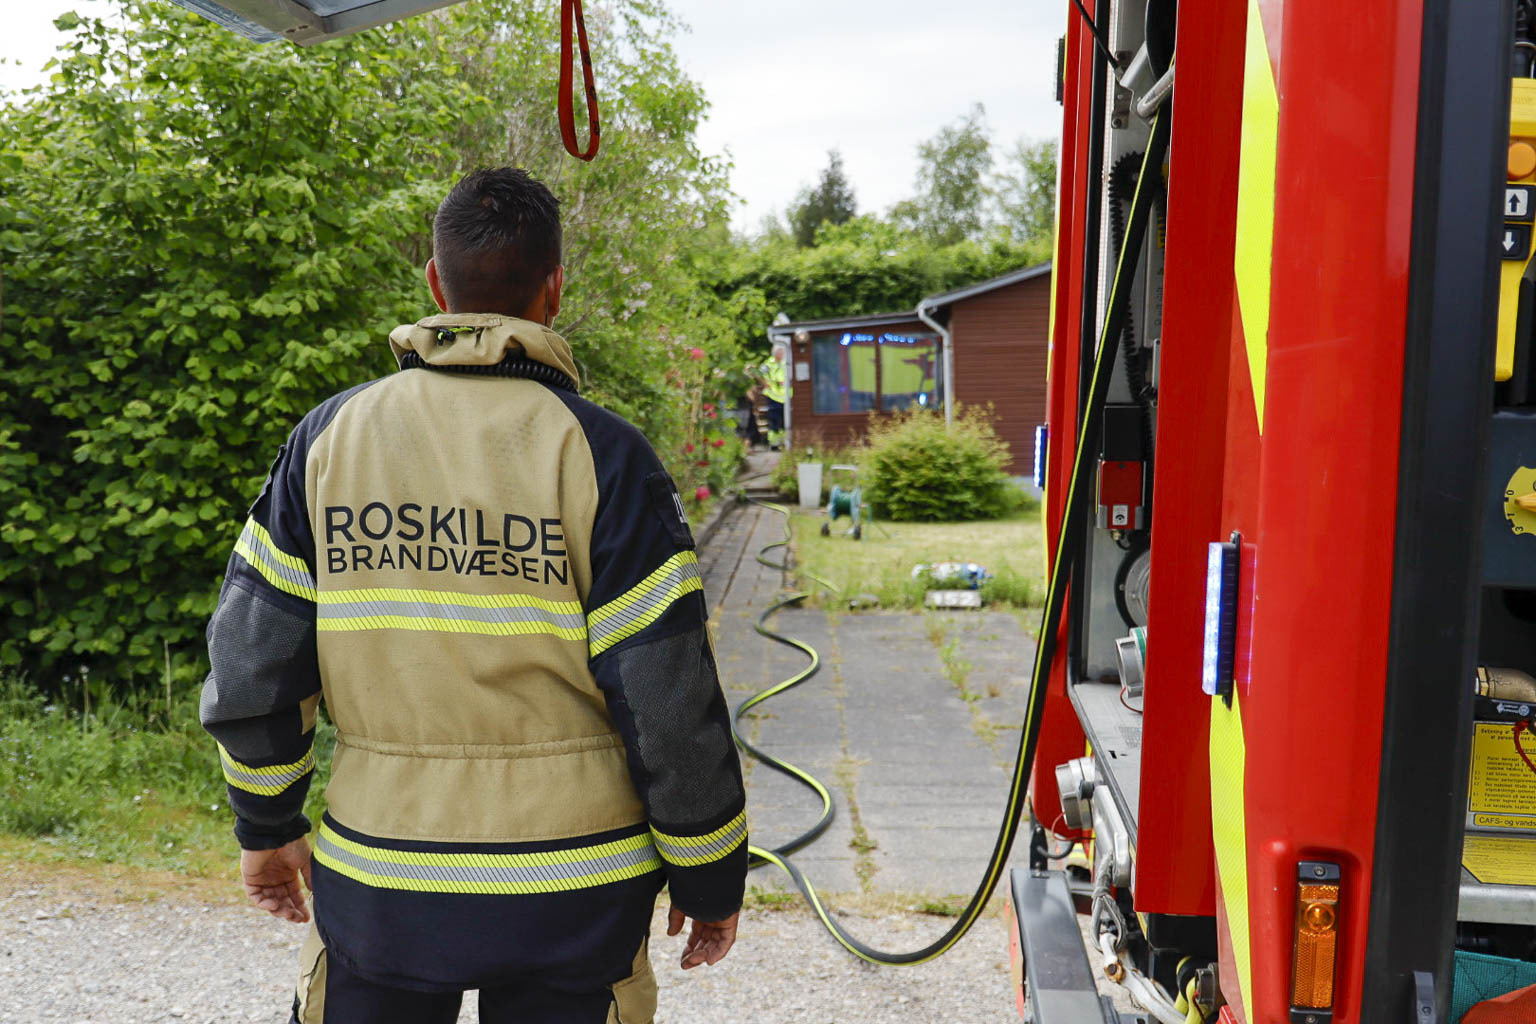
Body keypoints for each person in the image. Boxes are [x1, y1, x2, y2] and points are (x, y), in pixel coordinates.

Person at [199, 167, 747, 1024]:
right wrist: (708, 870)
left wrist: (266, 827)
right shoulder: (605, 455)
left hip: (384, 880)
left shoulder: (330, 440)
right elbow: (667, 695)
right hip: (573, 886)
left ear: (434, 283)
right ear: (553, 291)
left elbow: (251, 663)